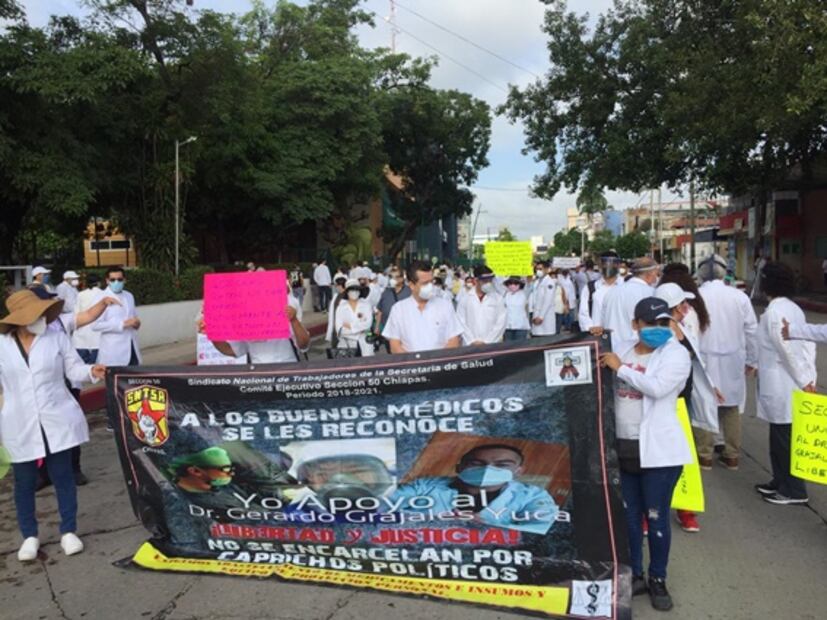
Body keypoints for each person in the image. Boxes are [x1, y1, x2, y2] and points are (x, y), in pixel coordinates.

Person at [599, 297, 692, 611]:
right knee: (628, 518)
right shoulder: (623, 347)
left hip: (659, 453)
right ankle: (635, 573)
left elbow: (657, 387)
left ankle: (657, 578)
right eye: (649, 323)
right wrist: (592, 339)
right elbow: (599, 359)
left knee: (656, 519)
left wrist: (621, 369)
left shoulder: (676, 355)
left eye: (663, 323)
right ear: (635, 324)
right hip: (622, 448)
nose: (657, 329)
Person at [0, 289, 106, 562]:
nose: (42, 319)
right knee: (23, 482)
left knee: (63, 476)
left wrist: (91, 371)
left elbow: (73, 369)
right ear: (19, 319)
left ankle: (68, 530)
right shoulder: (1, 345)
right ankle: (30, 536)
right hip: (18, 421)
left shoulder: (56, 338)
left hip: (56, 417)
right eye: (35, 314)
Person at [655, 282, 722, 533]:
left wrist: (711, 386)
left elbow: (698, 364)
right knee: (656, 461)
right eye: (684, 303)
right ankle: (648, 512)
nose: (688, 307)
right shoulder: (656, 333)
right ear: (673, 307)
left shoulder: (684, 328)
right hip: (662, 404)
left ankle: (686, 509)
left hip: (685, 403)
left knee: (684, 459)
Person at [391, 444, 558, 535]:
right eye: (476, 464)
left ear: (518, 472)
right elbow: (379, 507)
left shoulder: (533, 496)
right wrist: (432, 520)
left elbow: (539, 531)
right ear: (459, 467)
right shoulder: (424, 486)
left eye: (502, 465)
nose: (487, 470)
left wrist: (486, 525)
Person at [755, 262, 816, 506]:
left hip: (783, 382)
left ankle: (794, 489)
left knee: (784, 439)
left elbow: (786, 349)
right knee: (779, 435)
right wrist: (809, 374)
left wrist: (804, 380)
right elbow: (808, 342)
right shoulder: (793, 308)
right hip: (786, 379)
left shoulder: (774, 313)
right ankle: (780, 480)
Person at [696, 255, 758, 471]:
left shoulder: (697, 296)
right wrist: (753, 359)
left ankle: (705, 454)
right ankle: (731, 454)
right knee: (731, 406)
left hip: (703, 358)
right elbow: (752, 330)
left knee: (704, 403)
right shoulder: (738, 297)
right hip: (733, 359)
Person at [205, 290, 310, 364]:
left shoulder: (283, 315)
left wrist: (294, 320)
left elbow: (304, 344)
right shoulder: (244, 323)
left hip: (288, 370)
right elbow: (230, 350)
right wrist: (212, 331)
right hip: (258, 376)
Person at [382, 261, 463, 354]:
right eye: (425, 283)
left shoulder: (445, 306)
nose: (430, 286)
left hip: (440, 365)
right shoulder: (398, 310)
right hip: (411, 366)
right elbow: (395, 346)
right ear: (412, 285)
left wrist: (438, 363)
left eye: (431, 282)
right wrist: (415, 365)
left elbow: (453, 341)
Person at [600, 257, 660, 353]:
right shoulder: (651, 293)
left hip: (612, 351)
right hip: (636, 353)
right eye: (657, 274)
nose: (657, 278)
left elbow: (602, 322)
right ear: (650, 274)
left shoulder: (612, 292)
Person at [93, 266, 142, 368]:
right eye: (112, 280)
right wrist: (122, 324)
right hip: (113, 351)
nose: (116, 282)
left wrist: (136, 323)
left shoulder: (129, 296)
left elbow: (134, 316)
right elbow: (95, 325)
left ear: (124, 280)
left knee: (135, 381)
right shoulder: (100, 298)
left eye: (119, 279)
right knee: (115, 383)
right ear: (107, 281)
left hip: (132, 347)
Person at [456, 265, 506, 346]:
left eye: (490, 280)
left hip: (491, 345)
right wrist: (471, 341)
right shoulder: (465, 299)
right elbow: (461, 321)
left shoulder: (498, 299)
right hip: (469, 345)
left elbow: (501, 322)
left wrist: (488, 342)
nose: (488, 284)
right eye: (485, 281)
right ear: (476, 281)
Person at [580, 251, 623, 333]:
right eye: (605, 263)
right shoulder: (591, 288)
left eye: (612, 263)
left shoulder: (626, 286)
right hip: (598, 336)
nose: (608, 266)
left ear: (618, 265)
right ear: (600, 265)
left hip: (622, 336)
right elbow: (584, 313)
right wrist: (590, 328)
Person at [333, 279, 375, 356]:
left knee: (367, 365)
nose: (354, 292)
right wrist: (360, 330)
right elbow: (339, 330)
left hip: (365, 342)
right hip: (347, 344)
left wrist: (350, 326)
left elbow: (368, 324)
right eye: (352, 289)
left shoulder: (366, 305)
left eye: (356, 289)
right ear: (347, 292)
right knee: (350, 366)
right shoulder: (341, 308)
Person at [72, 274, 104, 364]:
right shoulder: (103, 294)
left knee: (83, 363)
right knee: (96, 363)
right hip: (98, 331)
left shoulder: (80, 295)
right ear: (98, 283)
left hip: (82, 330)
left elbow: (76, 313)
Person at [530, 261, 558, 337]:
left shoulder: (549, 282)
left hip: (545, 317)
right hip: (536, 314)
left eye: (540, 269)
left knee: (545, 339)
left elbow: (547, 301)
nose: (538, 271)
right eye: (537, 269)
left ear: (546, 270)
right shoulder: (537, 282)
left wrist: (541, 317)